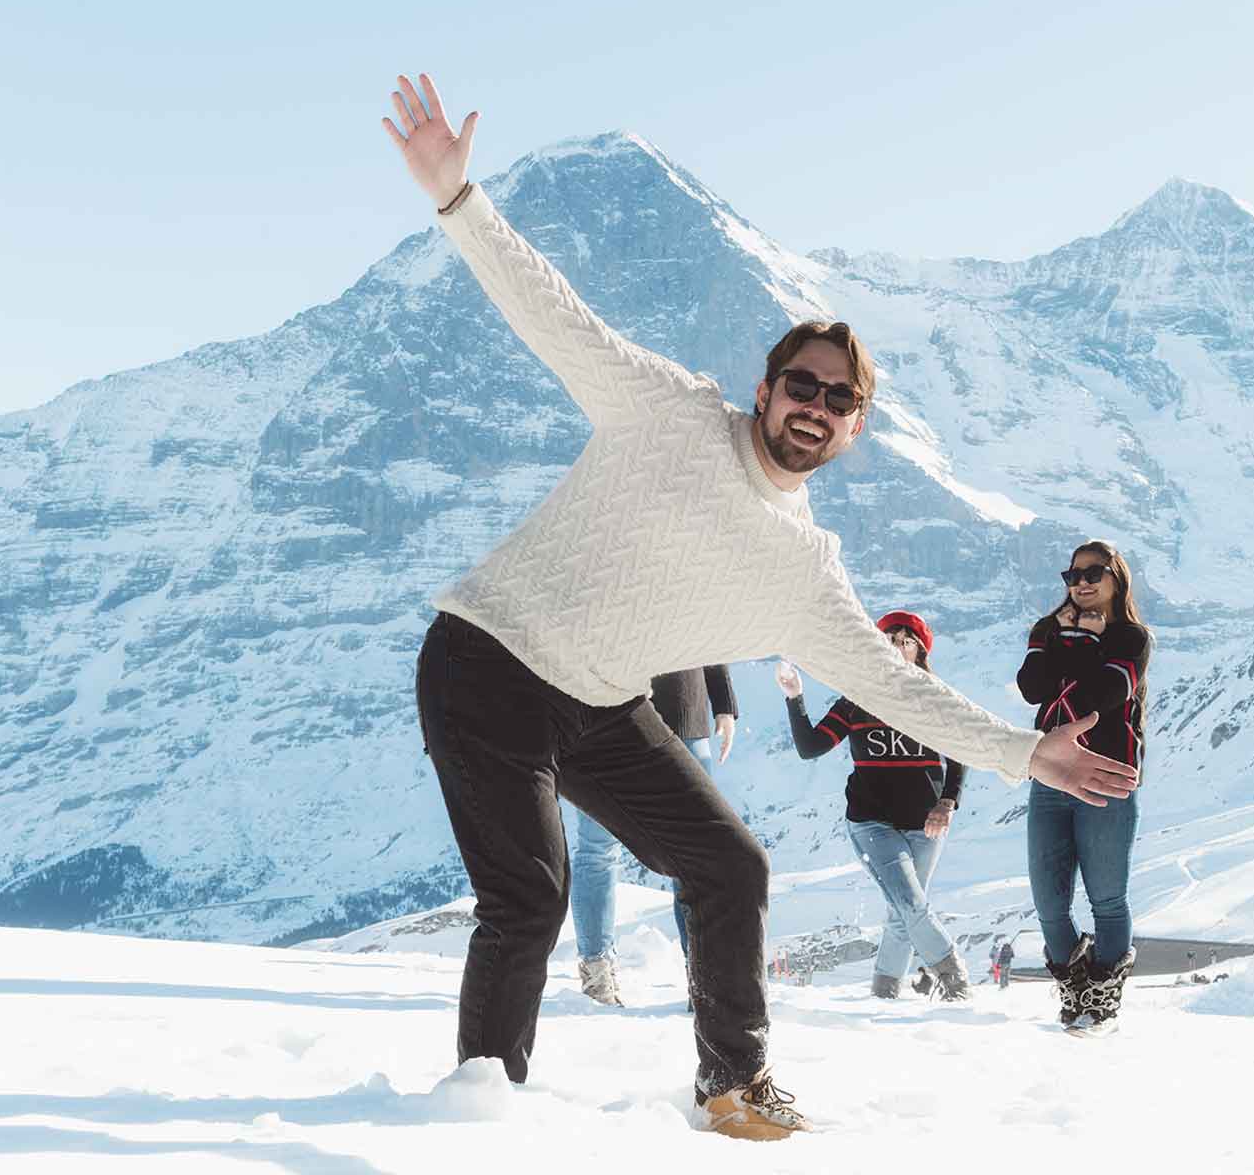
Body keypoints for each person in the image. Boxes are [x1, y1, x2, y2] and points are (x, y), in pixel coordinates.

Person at [385, 74, 1134, 1141]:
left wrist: (1025, 754)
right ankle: (477, 1117)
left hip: (595, 700)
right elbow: (553, 314)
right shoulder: (669, 410)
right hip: (488, 659)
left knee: (730, 862)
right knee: (532, 898)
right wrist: (459, 199)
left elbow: (889, 685)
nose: (815, 406)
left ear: (856, 427)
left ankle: (733, 1081)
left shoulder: (807, 568)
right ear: (766, 384)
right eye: (802, 383)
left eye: (839, 398)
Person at [776, 612, 970, 1002]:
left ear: (920, 651)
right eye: (889, 639)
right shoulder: (856, 699)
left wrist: (948, 802)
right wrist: (795, 697)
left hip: (926, 823)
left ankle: (884, 993)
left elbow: (962, 752)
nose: (896, 646)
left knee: (902, 912)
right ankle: (953, 975)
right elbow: (810, 747)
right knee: (911, 902)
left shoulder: (936, 700)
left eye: (905, 640)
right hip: (871, 821)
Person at [1016, 540, 1152, 1035]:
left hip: (1108, 777)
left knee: (1107, 897)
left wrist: (1082, 648)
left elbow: (1106, 695)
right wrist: (1076, 642)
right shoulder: (1045, 631)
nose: (1082, 583)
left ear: (1117, 577)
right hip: (1050, 778)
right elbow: (1033, 687)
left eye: (1094, 572)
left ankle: (1100, 999)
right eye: (1072, 575)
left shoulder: (1133, 638)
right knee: (1049, 903)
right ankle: (1075, 989)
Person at [569, 665, 738, 1007]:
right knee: (597, 849)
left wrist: (723, 701)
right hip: (600, 708)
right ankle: (597, 972)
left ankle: (703, 975)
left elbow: (709, 614)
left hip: (682, 706)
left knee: (694, 854)